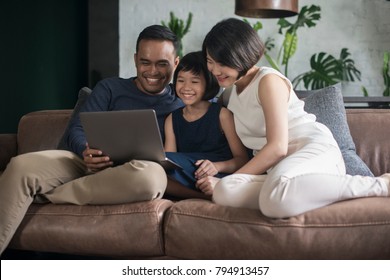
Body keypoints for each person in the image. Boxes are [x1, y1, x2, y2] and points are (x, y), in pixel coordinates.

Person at [0, 24, 184, 255]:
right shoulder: (110, 88)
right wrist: (85, 150)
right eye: (145, 62)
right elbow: (77, 129)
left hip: (130, 176)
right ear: (136, 59)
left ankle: (48, 194)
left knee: (152, 179)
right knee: (21, 165)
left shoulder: (183, 104)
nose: (152, 71)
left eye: (162, 64)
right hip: (84, 163)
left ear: (176, 63)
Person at [201, 18, 390, 218]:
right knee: (224, 192)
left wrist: (232, 178)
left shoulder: (267, 81)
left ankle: (379, 185)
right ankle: (297, 191)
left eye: (222, 63)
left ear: (242, 56)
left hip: (312, 151)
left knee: (269, 199)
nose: (214, 70)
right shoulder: (229, 94)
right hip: (281, 172)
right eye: (210, 61)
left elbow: (278, 147)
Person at [163, 51, 248, 199]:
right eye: (181, 80)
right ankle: (203, 197)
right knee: (160, 167)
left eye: (194, 81)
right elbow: (169, 161)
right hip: (188, 175)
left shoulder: (222, 115)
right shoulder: (172, 118)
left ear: (209, 82)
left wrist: (217, 166)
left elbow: (242, 159)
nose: (186, 87)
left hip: (215, 173)